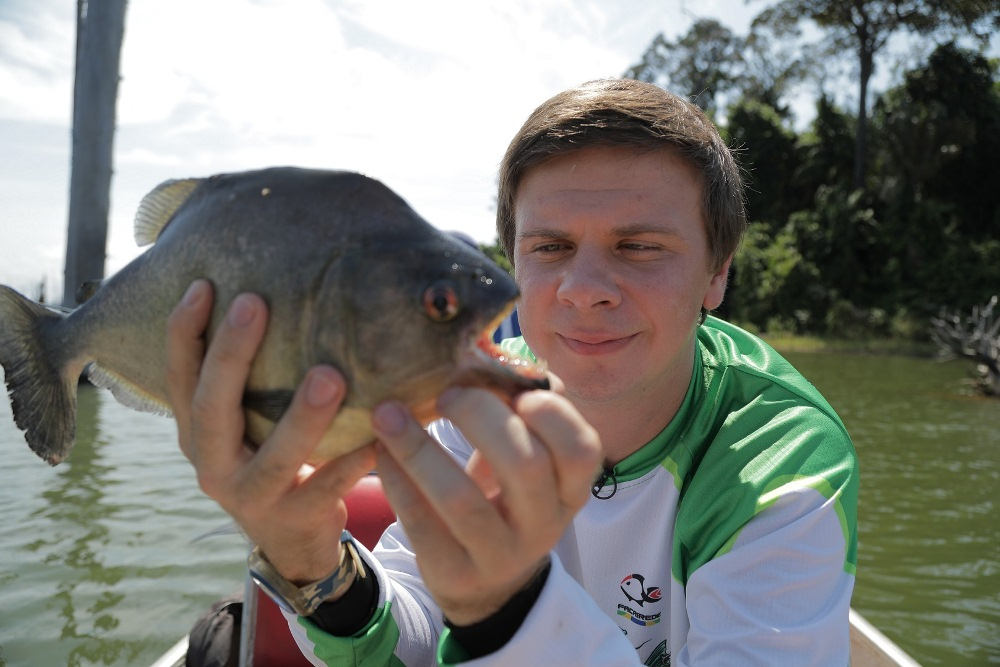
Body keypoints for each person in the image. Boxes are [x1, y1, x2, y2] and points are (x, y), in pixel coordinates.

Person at [167, 78, 858, 666]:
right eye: (550, 247)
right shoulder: (481, 396)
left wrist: (506, 611)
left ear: (717, 272)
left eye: (640, 246)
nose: (584, 289)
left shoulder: (780, 461)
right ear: (514, 263)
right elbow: (409, 638)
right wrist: (315, 566)